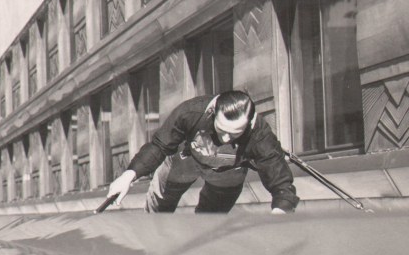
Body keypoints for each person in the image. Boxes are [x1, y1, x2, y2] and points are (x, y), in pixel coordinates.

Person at [106, 90, 297, 214]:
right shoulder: (191, 112)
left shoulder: (261, 134)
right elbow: (159, 145)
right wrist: (128, 175)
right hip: (186, 160)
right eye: (221, 130)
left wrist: (279, 214)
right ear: (212, 112)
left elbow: (281, 185)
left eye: (235, 133)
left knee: (209, 223)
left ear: (249, 124)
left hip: (228, 171)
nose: (225, 139)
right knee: (159, 210)